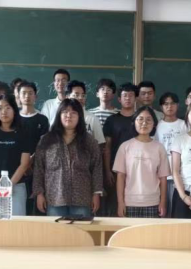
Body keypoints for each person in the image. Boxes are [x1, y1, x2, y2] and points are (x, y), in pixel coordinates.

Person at [33, 99, 102, 217]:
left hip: (82, 198)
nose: (69, 115)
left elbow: (97, 168)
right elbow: (39, 168)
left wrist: (96, 194)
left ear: (80, 117)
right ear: (59, 115)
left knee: (82, 229)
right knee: (56, 230)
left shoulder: (89, 141)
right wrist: (39, 194)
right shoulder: (47, 140)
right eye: (65, 112)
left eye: (73, 113)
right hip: (55, 198)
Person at [113, 107, 170, 218]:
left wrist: (162, 202)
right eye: (140, 119)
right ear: (134, 122)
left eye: (148, 120)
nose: (144, 123)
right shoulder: (125, 146)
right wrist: (120, 202)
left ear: (154, 124)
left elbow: (163, 178)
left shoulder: (159, 148)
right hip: (130, 202)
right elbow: (120, 177)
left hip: (153, 202)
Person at [0, 95, 31, 216]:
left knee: (17, 223)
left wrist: (9, 184)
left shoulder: (23, 134)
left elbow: (24, 164)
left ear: (14, 110)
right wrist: (0, 184)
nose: (3, 111)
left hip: (16, 184)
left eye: (7, 107)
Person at [103, 83, 139, 216]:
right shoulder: (111, 120)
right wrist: (107, 170)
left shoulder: (140, 120)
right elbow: (107, 147)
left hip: (138, 169)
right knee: (116, 206)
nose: (128, 98)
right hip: (116, 169)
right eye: (125, 96)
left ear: (136, 98)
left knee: (135, 205)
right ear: (119, 99)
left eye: (131, 95)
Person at [18, 81, 50, 215]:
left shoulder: (42, 119)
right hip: (17, 168)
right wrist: (24, 163)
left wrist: (31, 160)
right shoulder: (14, 118)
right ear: (19, 96)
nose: (27, 96)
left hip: (38, 167)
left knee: (36, 206)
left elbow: (44, 144)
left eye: (30, 93)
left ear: (35, 96)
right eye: (24, 93)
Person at [155, 92, 187, 216]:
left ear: (177, 105)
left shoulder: (184, 124)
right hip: (162, 174)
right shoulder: (157, 125)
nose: (169, 107)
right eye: (166, 104)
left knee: (177, 210)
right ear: (161, 107)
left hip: (181, 174)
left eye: (172, 103)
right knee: (163, 210)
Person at [66, 80, 105, 146]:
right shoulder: (62, 118)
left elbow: (100, 144)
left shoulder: (93, 119)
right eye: (76, 95)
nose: (81, 98)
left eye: (83, 95)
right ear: (67, 97)